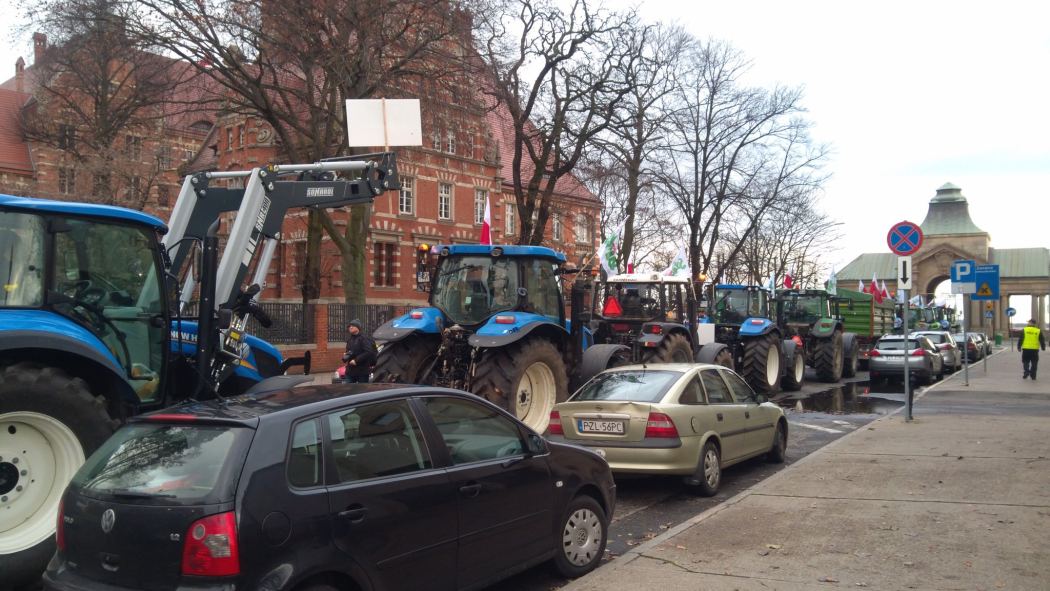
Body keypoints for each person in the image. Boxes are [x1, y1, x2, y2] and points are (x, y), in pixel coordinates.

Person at [342, 319, 378, 383]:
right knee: (348, 390)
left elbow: (368, 352)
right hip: (350, 371)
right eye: (349, 326)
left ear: (358, 327)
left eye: (353, 325)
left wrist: (356, 360)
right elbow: (349, 352)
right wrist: (345, 356)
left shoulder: (364, 338)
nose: (350, 327)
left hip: (362, 371)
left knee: (361, 390)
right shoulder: (350, 340)